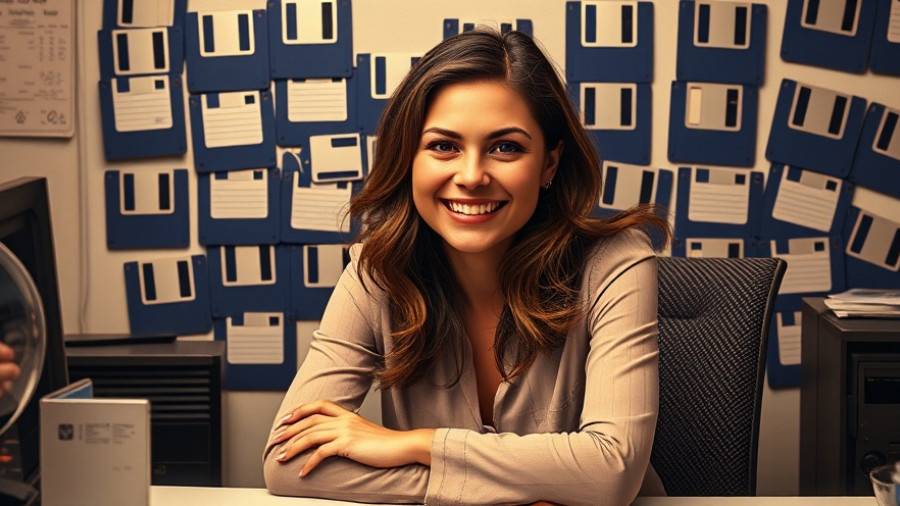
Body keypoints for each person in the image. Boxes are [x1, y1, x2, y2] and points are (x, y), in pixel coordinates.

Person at [264, 29, 670, 505]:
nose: (472, 176)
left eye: (505, 148)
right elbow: (287, 465)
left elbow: (611, 472)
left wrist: (417, 445)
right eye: (443, 146)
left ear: (549, 164)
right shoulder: (376, 271)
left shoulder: (617, 263)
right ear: (408, 158)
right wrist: (519, 490)